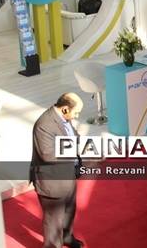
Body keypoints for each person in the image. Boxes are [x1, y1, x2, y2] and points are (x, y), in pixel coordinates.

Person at [30, 93, 84, 248]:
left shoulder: (64, 118)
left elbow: (72, 135)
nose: (77, 116)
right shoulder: (44, 125)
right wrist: (73, 150)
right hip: (52, 181)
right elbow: (48, 155)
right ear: (65, 109)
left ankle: (67, 237)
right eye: (76, 112)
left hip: (68, 175)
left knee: (69, 211)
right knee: (54, 220)